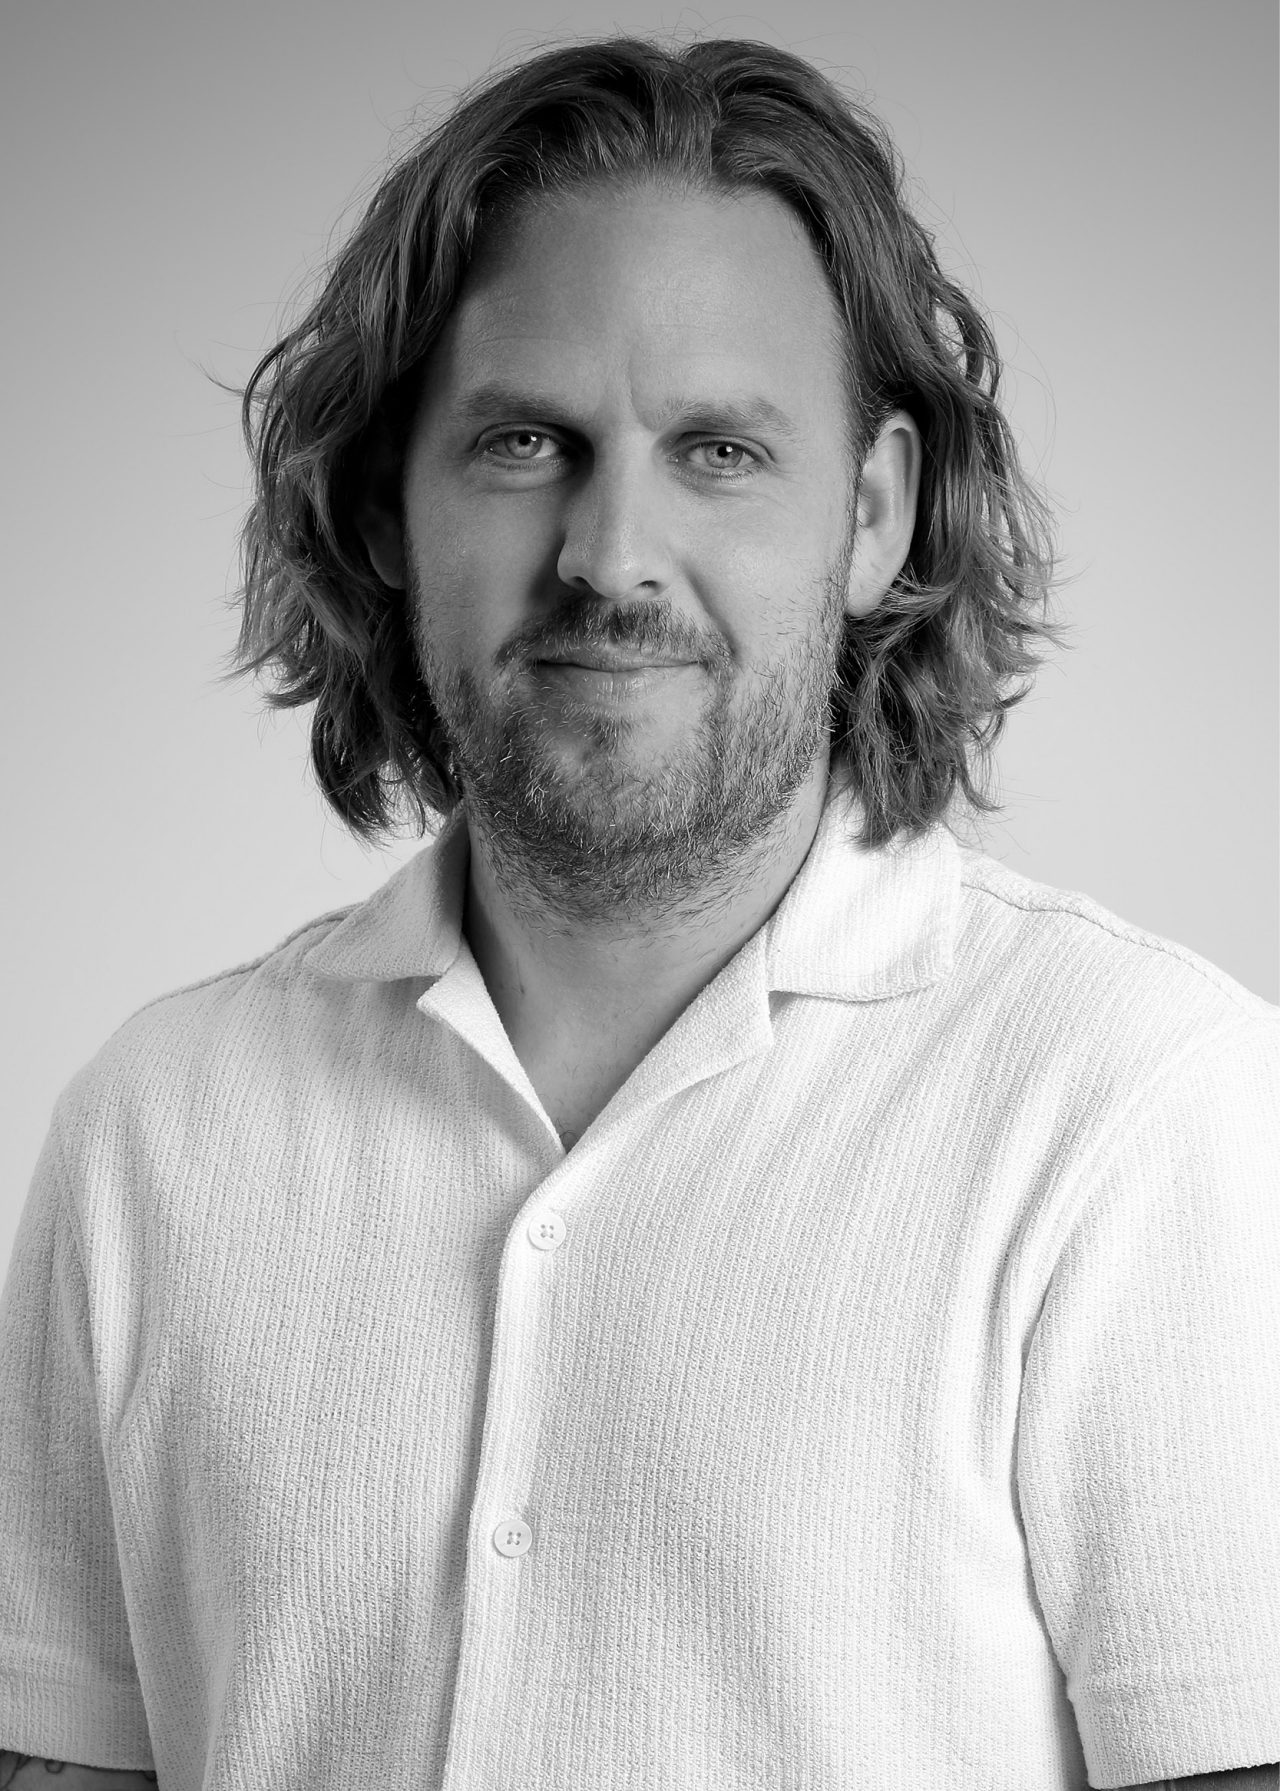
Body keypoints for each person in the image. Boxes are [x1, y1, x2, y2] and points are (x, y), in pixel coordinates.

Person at [1, 32, 1276, 1791]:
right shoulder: (154, 1130)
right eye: (525, 441)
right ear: (390, 508)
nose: (610, 554)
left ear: (874, 513)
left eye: (720, 449)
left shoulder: (1140, 1110)